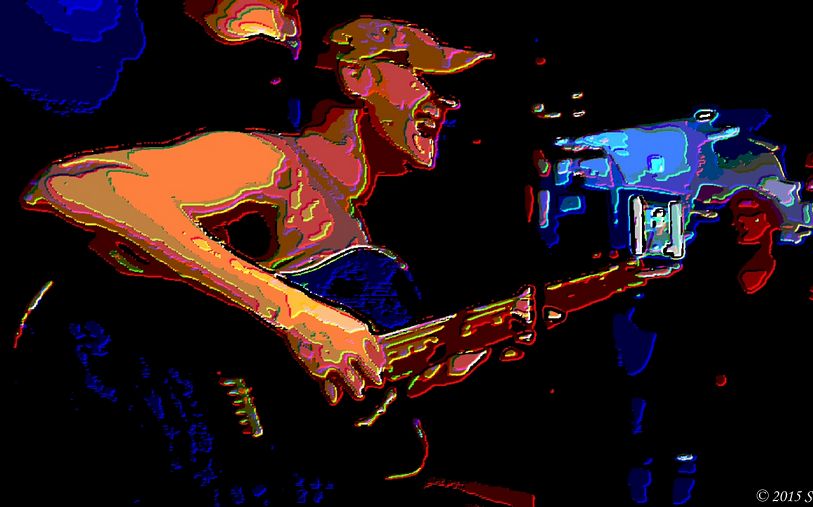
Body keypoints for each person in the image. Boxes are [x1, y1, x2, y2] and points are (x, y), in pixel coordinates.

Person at [21, 17, 492, 406]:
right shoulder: (275, 163)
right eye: (429, 78)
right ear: (358, 77)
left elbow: (294, 383)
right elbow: (74, 186)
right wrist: (297, 314)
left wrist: (441, 359)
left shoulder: (352, 228)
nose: (448, 104)